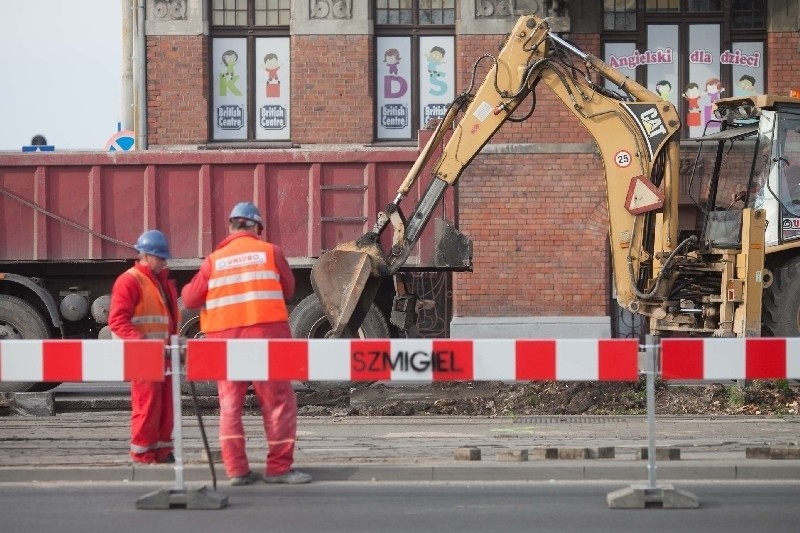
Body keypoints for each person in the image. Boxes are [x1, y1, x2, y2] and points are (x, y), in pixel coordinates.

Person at [181, 201, 311, 486]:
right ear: (257, 228)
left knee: (229, 405)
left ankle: (236, 470)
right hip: (266, 340)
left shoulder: (214, 261)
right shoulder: (270, 252)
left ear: (231, 227)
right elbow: (288, 289)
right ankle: (278, 468)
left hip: (224, 342)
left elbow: (189, 299)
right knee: (277, 402)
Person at [108, 230, 179, 465]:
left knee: (165, 408)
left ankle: (161, 451)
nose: (164, 262)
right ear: (147, 256)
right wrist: (142, 345)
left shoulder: (159, 281)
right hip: (145, 356)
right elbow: (118, 320)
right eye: (161, 257)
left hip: (163, 355)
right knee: (147, 407)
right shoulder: (130, 280)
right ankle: (142, 454)